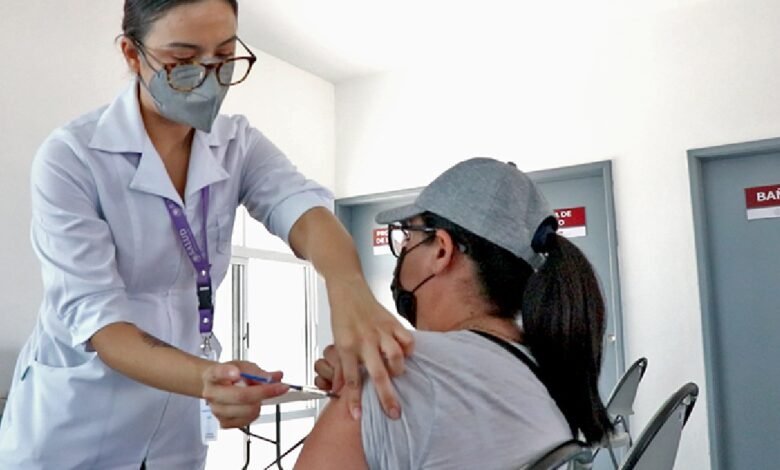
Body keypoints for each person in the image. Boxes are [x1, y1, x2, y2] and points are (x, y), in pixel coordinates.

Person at [0, 1, 412, 468]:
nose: (208, 78)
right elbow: (102, 324)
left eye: (223, 58)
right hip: (74, 430)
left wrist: (348, 287)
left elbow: (302, 208)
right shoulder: (73, 157)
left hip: (175, 438)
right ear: (132, 55)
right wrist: (210, 378)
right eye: (182, 62)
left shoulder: (237, 144)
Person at [295, 157, 613, 469]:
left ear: (441, 250)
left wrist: (364, 382)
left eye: (408, 237)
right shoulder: (544, 373)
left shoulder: (394, 378)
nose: (403, 250)